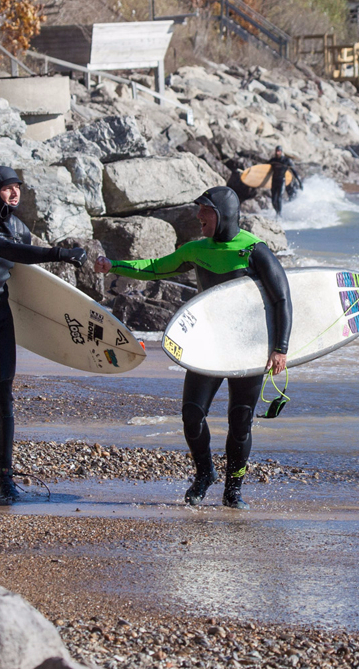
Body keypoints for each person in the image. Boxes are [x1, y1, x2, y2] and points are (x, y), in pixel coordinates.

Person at [95, 186, 292, 509]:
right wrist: (113, 265)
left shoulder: (254, 251)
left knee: (240, 423)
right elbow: (157, 267)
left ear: (223, 215)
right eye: (199, 209)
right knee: (191, 416)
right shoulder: (196, 249)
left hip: (247, 348)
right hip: (209, 346)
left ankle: (234, 489)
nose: (198, 216)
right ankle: (205, 473)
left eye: (205, 210)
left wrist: (280, 348)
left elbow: (282, 298)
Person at [0, 165, 86, 501]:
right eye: (7, 188)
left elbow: (31, 283)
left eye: (17, 187)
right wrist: (59, 253)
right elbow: (6, 250)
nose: (14, 193)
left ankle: (4, 476)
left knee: (3, 399)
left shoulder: (20, 229)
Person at [267, 146, 302, 215]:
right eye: (276, 151)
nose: (277, 153)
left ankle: (279, 215)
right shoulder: (273, 160)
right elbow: (264, 168)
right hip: (274, 181)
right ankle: (277, 212)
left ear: (281, 152)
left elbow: (294, 171)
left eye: (279, 151)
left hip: (282, 181)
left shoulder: (286, 161)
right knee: (273, 200)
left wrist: (299, 182)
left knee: (279, 198)